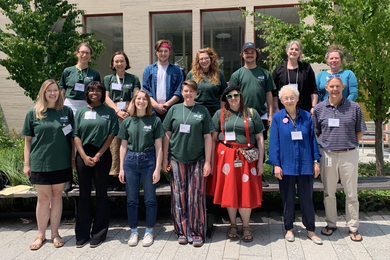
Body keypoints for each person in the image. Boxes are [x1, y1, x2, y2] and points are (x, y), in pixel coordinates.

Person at [207, 85, 264, 243]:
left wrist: (261, 162)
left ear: (241, 96)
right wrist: (211, 163)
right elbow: (212, 139)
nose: (233, 99)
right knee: (230, 190)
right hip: (226, 158)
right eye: (229, 96)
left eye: (236, 95)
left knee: (246, 191)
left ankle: (245, 225)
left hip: (248, 157)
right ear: (225, 99)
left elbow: (260, 138)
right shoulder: (220, 114)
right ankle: (232, 224)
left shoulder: (252, 113)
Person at [313, 76, 366, 242]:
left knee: (351, 193)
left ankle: (353, 227)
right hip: (328, 154)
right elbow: (317, 132)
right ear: (326, 88)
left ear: (343, 87)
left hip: (348, 153)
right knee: (329, 192)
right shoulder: (320, 108)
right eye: (331, 86)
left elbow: (360, 130)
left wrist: (347, 143)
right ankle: (331, 223)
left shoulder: (354, 107)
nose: (334, 89)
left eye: (337, 86)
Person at [22, 79, 74, 250]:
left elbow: (72, 138)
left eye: (55, 90)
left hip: (61, 161)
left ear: (59, 92)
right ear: (43, 93)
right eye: (49, 90)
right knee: (44, 199)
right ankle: (40, 235)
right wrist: (27, 164)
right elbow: (28, 141)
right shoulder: (34, 112)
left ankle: (55, 234)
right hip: (40, 162)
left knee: (57, 197)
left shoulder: (66, 112)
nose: (53, 93)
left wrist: (72, 159)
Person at [267, 85, 322, 245]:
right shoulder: (277, 118)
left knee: (307, 198)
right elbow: (274, 143)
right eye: (286, 98)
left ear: (297, 98)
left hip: (305, 163)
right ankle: (289, 228)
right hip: (286, 164)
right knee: (288, 198)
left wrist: (315, 161)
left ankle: (310, 229)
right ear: (282, 100)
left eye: (292, 97)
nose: (289, 100)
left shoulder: (306, 116)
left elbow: (313, 140)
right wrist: (276, 164)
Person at [162, 80, 214, 247]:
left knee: (196, 197)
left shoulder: (202, 110)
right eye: (185, 91)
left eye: (191, 91)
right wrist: (165, 158)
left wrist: (208, 162)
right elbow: (167, 135)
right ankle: (182, 231)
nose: (188, 93)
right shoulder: (174, 110)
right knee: (179, 196)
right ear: (182, 93)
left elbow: (208, 137)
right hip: (177, 159)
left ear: (196, 93)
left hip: (198, 160)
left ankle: (198, 232)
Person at [73, 81, 119, 248]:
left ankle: (99, 233)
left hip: (102, 155)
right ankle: (82, 233)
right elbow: (75, 135)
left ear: (102, 92)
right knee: (83, 195)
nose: (94, 93)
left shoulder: (109, 112)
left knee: (101, 194)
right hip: (83, 155)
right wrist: (84, 156)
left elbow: (112, 134)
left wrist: (98, 155)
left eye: (98, 90)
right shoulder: (80, 112)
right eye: (91, 90)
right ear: (87, 93)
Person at [117, 90, 164, 247]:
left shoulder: (155, 121)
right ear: (134, 101)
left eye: (144, 99)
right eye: (138, 99)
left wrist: (158, 168)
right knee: (132, 200)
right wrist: (121, 168)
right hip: (130, 161)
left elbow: (159, 146)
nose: (141, 101)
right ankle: (134, 231)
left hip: (149, 160)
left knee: (150, 199)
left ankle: (149, 231)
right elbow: (123, 146)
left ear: (148, 103)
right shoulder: (128, 121)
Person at [228, 42, 276, 187]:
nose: (249, 54)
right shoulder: (237, 74)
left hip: (260, 115)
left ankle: (258, 174)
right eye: (246, 52)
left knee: (258, 144)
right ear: (242, 55)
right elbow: (231, 95)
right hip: (241, 115)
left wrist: (271, 114)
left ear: (256, 55)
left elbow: (269, 94)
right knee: (244, 145)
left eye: (252, 52)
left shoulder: (264, 73)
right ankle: (244, 174)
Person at [103, 51, 140, 177]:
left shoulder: (133, 78)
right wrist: (117, 111)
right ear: (113, 63)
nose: (119, 63)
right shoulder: (108, 79)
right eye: (117, 61)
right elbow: (106, 97)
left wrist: (128, 111)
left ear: (126, 63)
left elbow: (136, 95)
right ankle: (114, 174)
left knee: (128, 141)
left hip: (129, 112)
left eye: (122, 61)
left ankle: (129, 172)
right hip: (114, 112)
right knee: (114, 142)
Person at [272, 40, 318, 114]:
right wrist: (276, 108)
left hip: (304, 108)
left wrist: (313, 107)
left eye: (297, 49)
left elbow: (313, 89)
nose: (294, 51)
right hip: (283, 109)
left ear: (300, 53)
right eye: (291, 49)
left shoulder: (306, 68)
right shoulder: (279, 69)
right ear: (287, 51)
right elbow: (274, 91)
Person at [143, 39, 183, 120]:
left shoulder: (177, 70)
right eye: (160, 51)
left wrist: (167, 105)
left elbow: (179, 91)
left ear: (169, 52)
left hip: (171, 110)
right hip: (152, 110)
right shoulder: (148, 70)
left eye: (166, 51)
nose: (163, 54)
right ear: (156, 52)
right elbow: (145, 90)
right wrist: (156, 106)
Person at [60, 43, 101, 115]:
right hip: (70, 103)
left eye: (87, 53)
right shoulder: (68, 71)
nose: (84, 55)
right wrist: (60, 105)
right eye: (82, 52)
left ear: (90, 55)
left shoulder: (95, 74)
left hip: (87, 104)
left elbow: (98, 93)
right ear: (77, 53)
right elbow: (63, 90)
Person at [186, 47, 227, 117]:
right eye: (201, 59)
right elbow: (186, 94)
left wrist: (222, 112)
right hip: (196, 112)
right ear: (198, 61)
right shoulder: (191, 74)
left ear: (211, 59)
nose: (204, 61)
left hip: (214, 113)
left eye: (206, 58)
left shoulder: (219, 74)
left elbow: (223, 96)